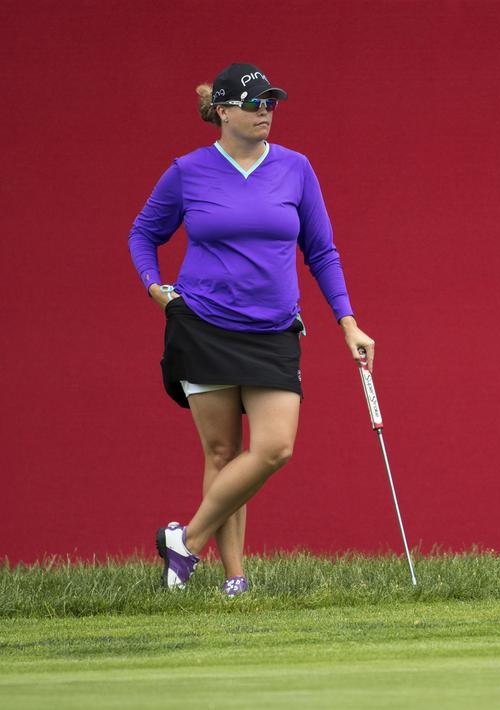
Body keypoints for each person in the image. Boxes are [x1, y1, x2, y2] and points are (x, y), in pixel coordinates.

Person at [128, 63, 375, 596]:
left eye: (270, 102)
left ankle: (185, 543)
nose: (265, 111)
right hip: (204, 325)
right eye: (254, 102)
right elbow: (144, 233)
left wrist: (348, 322)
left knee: (273, 448)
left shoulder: (296, 168)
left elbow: (322, 250)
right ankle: (235, 578)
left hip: (273, 329)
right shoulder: (188, 171)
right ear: (223, 111)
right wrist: (155, 286)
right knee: (221, 453)